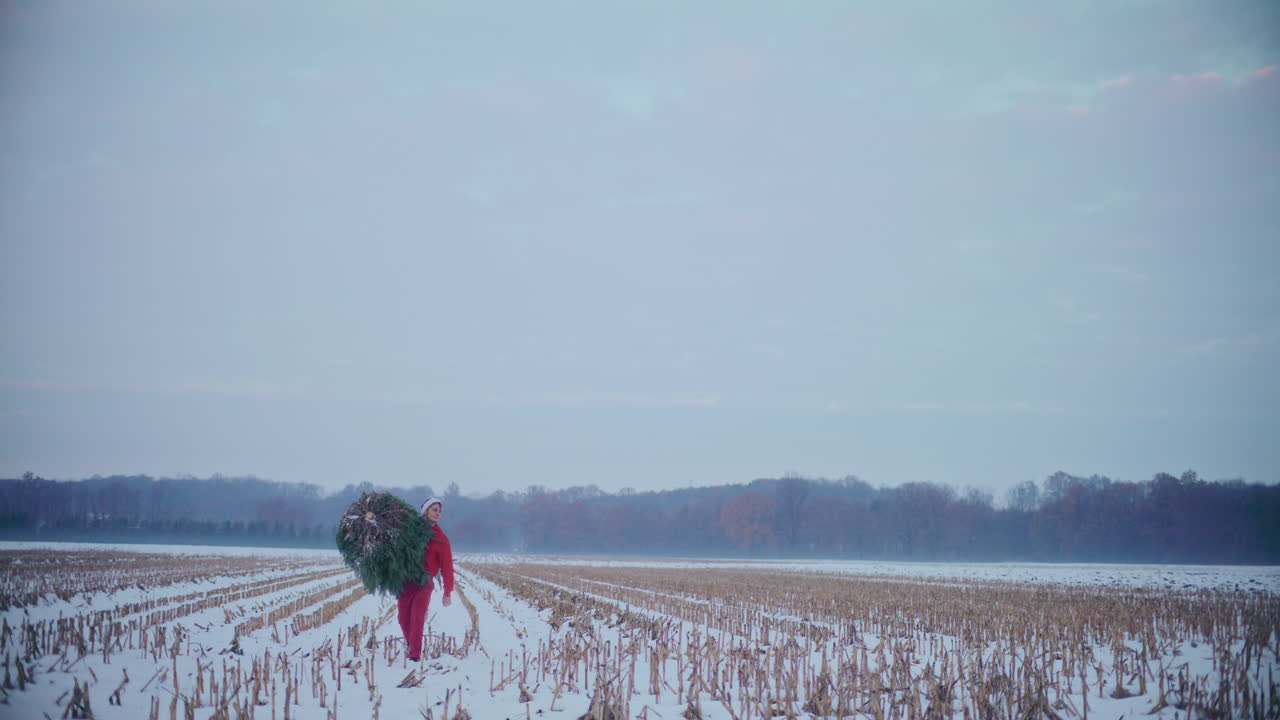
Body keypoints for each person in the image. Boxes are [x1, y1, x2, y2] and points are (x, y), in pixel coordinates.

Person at [397, 496, 454, 662]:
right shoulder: (411, 530)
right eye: (434, 510)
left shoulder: (441, 539)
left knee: (417, 618)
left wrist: (447, 591)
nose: (438, 513)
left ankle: (414, 655)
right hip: (406, 580)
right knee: (402, 618)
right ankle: (410, 642)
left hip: (424, 582)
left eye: (439, 511)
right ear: (425, 511)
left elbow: (447, 567)